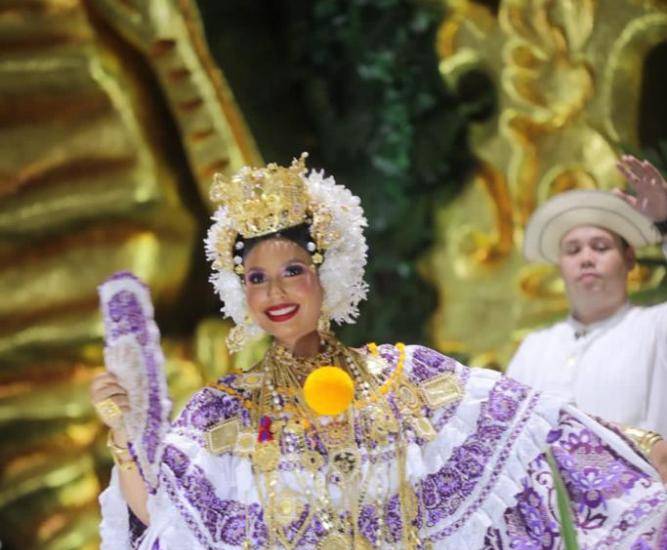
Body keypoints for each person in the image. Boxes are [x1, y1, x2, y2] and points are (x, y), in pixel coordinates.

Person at [91, 154, 667, 549]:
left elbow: (540, 430)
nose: (276, 292)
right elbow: (164, 518)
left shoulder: (407, 376)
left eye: (293, 270)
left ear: (328, 276)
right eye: (257, 279)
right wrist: (124, 431)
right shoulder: (224, 412)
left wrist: (641, 450)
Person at [507, 155, 667, 480]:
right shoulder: (534, 347)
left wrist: (665, 224)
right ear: (560, 267)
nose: (587, 259)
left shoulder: (655, 326)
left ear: (629, 259)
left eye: (600, 246)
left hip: (643, 514)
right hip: (550, 521)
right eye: (573, 250)